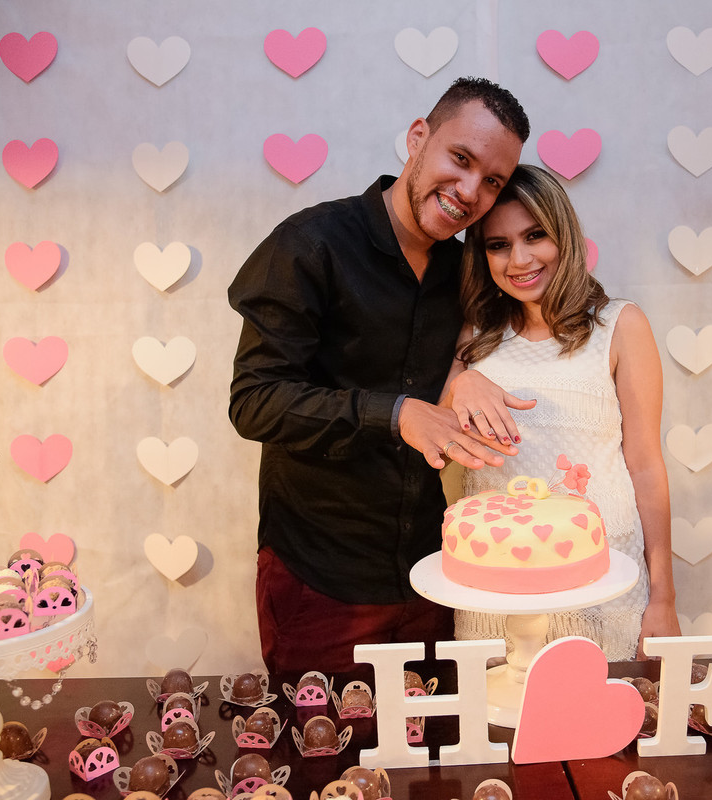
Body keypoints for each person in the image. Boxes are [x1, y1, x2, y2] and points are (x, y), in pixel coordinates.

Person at [227, 78, 531, 674]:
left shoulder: (469, 266)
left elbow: (507, 334)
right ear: (418, 138)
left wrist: (465, 372)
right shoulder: (310, 245)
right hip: (321, 576)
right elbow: (255, 401)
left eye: (492, 181)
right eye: (460, 158)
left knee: (441, 736)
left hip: (432, 576)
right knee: (322, 735)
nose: (470, 191)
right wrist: (397, 414)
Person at [442, 164, 681, 660]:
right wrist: (462, 383)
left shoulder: (619, 325)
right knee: (502, 708)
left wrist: (664, 598)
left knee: (602, 706)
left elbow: (645, 466)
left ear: (564, 235)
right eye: (499, 244)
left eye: (535, 236)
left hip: (603, 579)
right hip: (499, 588)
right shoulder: (475, 336)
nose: (520, 259)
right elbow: (440, 450)